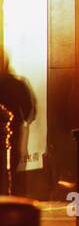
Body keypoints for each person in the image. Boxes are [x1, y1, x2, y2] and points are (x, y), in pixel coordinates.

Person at [0, 51, 36, 195]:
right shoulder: (17, 83)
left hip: (11, 130)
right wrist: (23, 121)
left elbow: (29, 107)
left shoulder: (16, 83)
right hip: (13, 129)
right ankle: (13, 194)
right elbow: (29, 107)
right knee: (13, 166)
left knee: (12, 164)